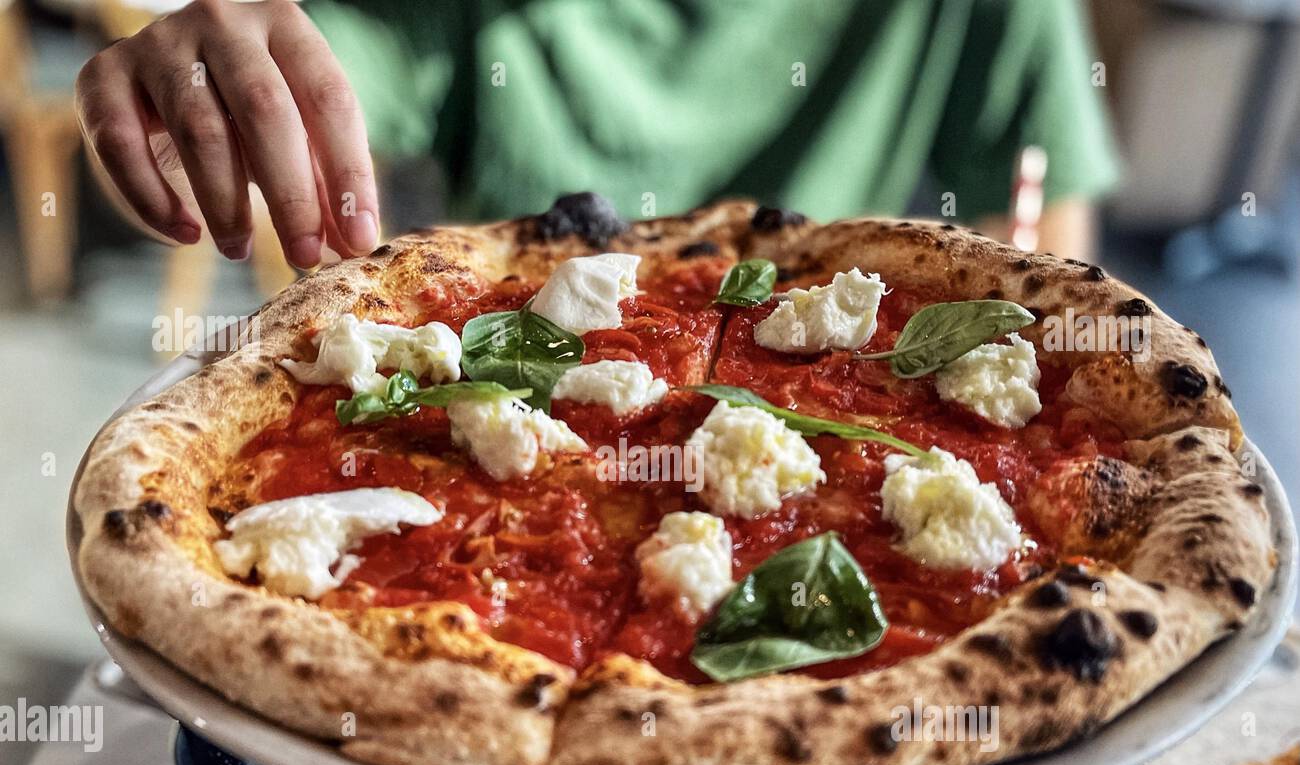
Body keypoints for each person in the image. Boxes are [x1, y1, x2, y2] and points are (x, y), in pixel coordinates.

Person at [74, 0, 1119, 270]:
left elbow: (1043, 269)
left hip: (841, 446)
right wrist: (187, 106)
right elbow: (267, 137)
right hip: (510, 467)